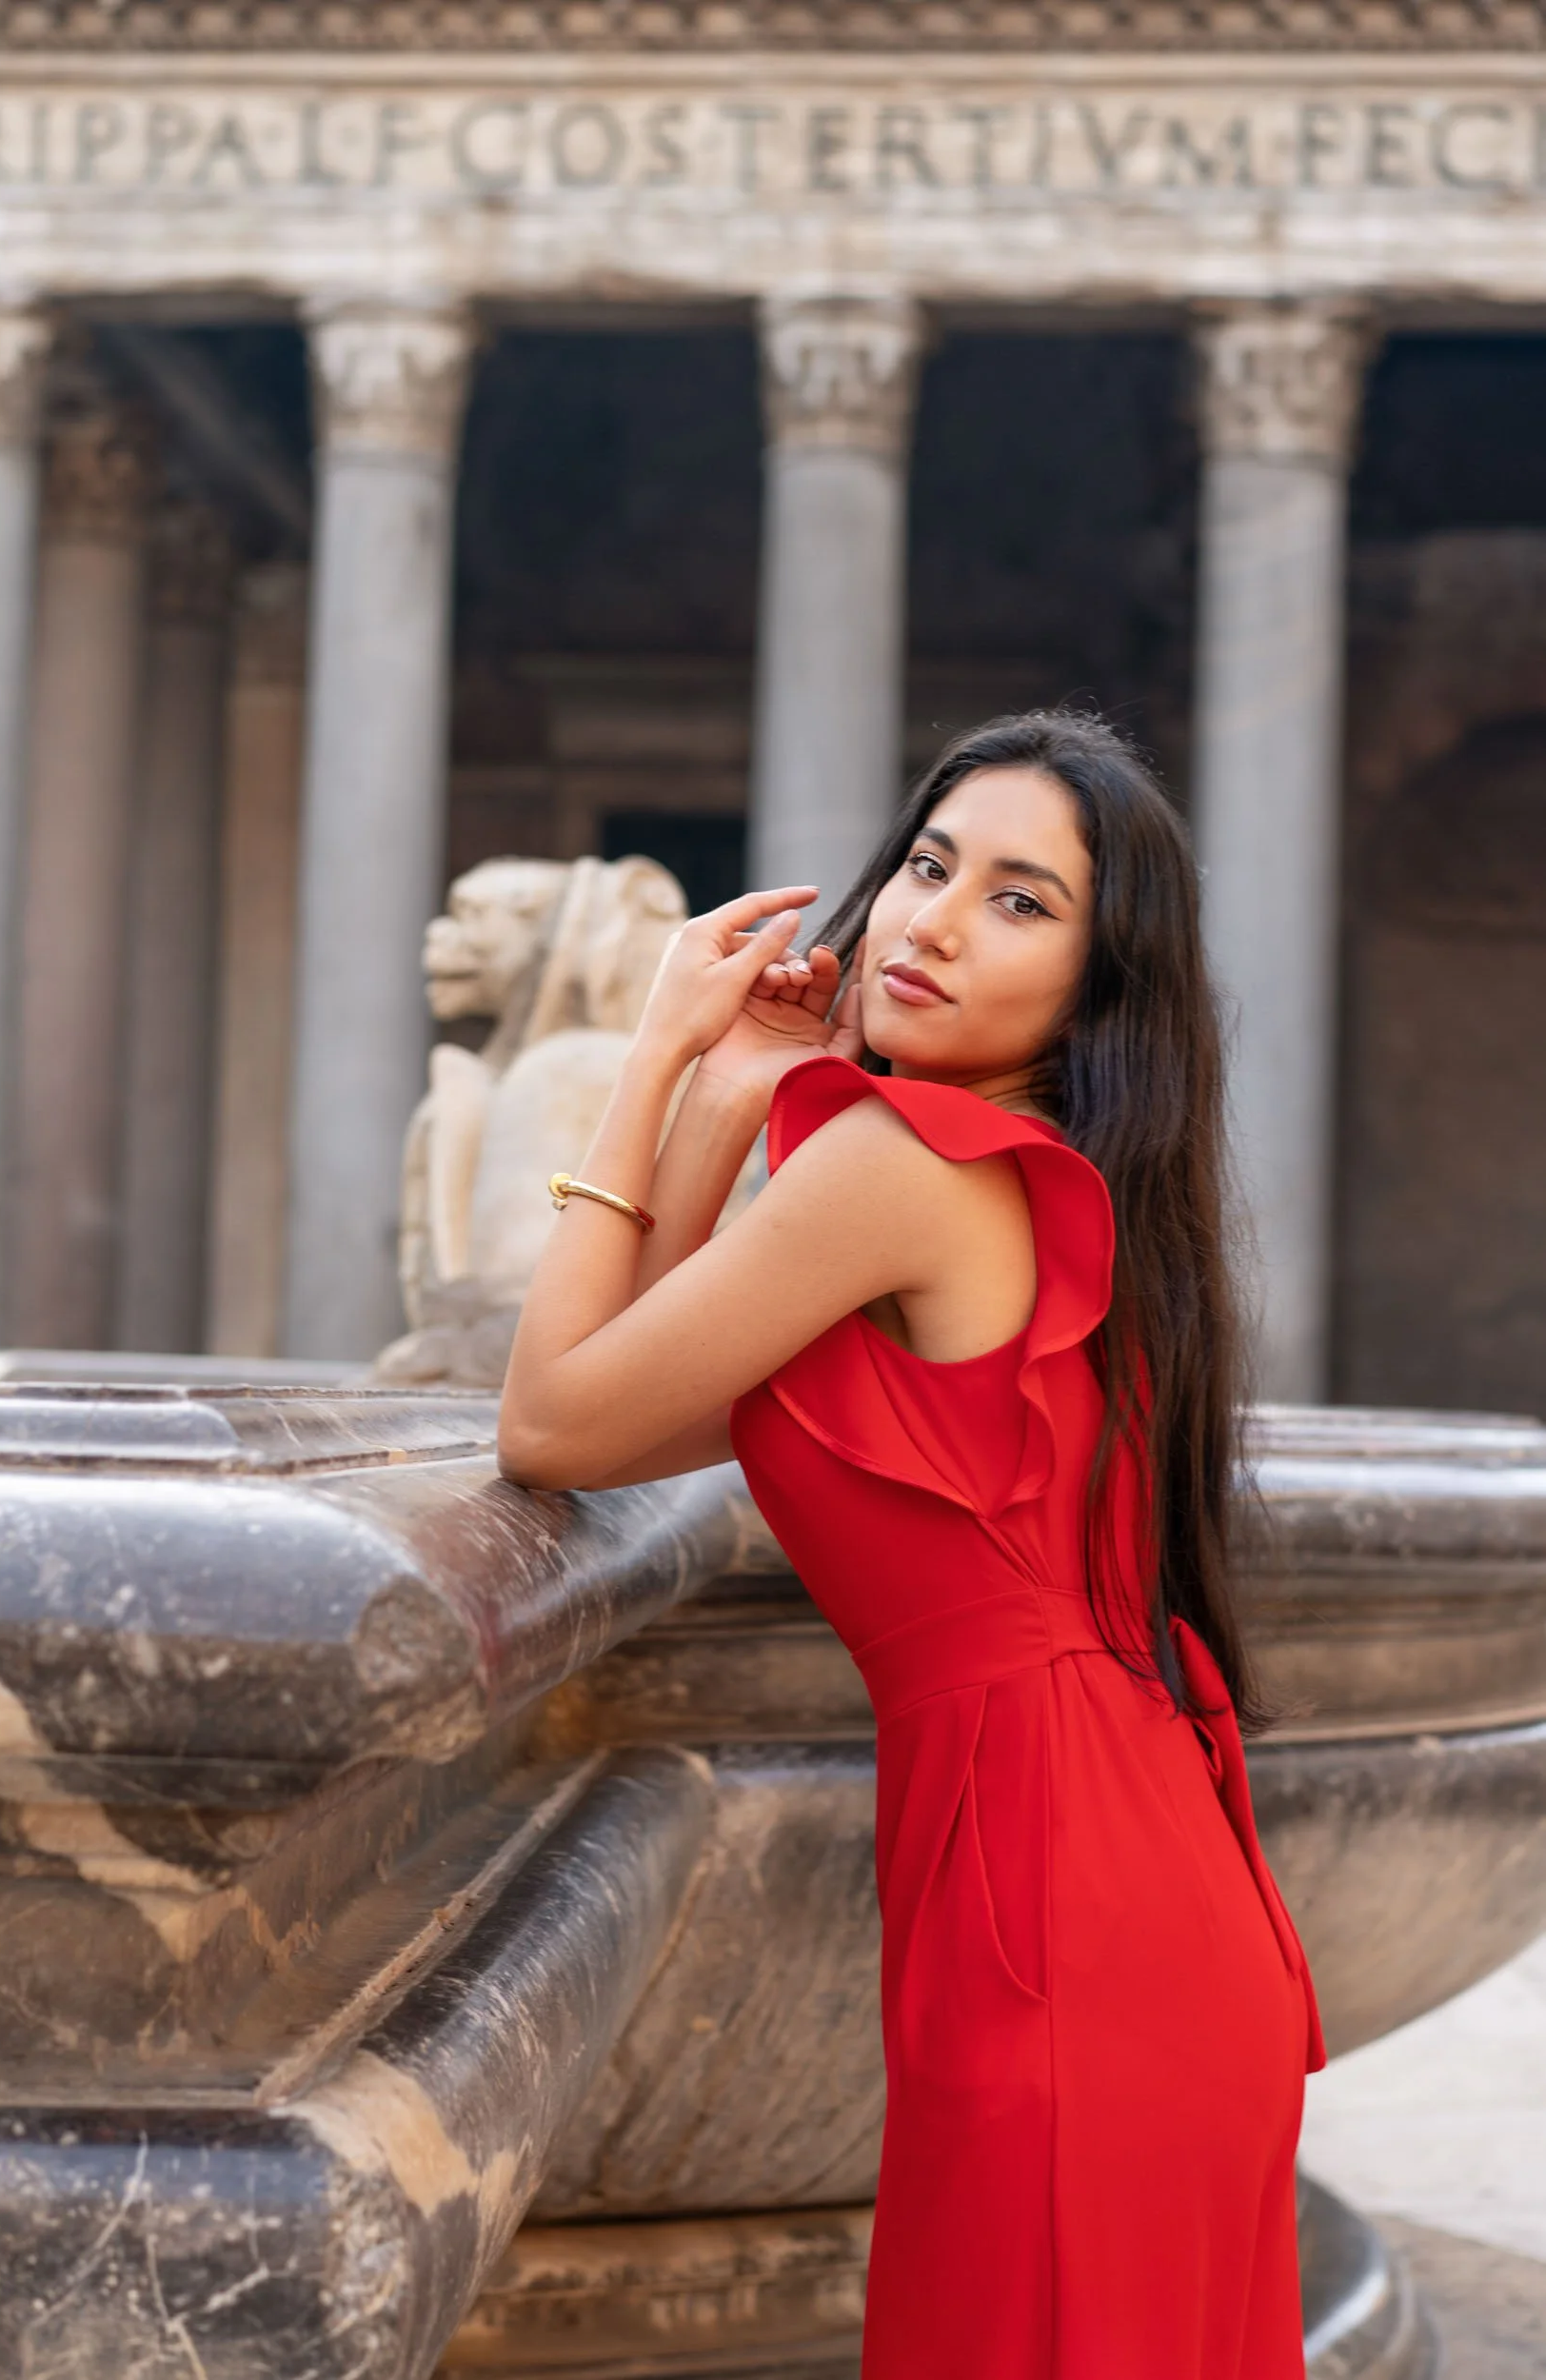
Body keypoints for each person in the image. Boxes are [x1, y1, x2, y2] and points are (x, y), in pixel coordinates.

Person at [498, 708, 1325, 2380]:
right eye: (929, 865)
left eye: (1023, 902)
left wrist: (654, 1059)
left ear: (1101, 989)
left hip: (1055, 1896)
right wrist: (737, 1097)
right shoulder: (1020, 1175)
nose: (932, 921)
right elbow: (653, 1399)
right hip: (1106, 1873)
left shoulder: (900, 1166)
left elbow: (554, 1428)